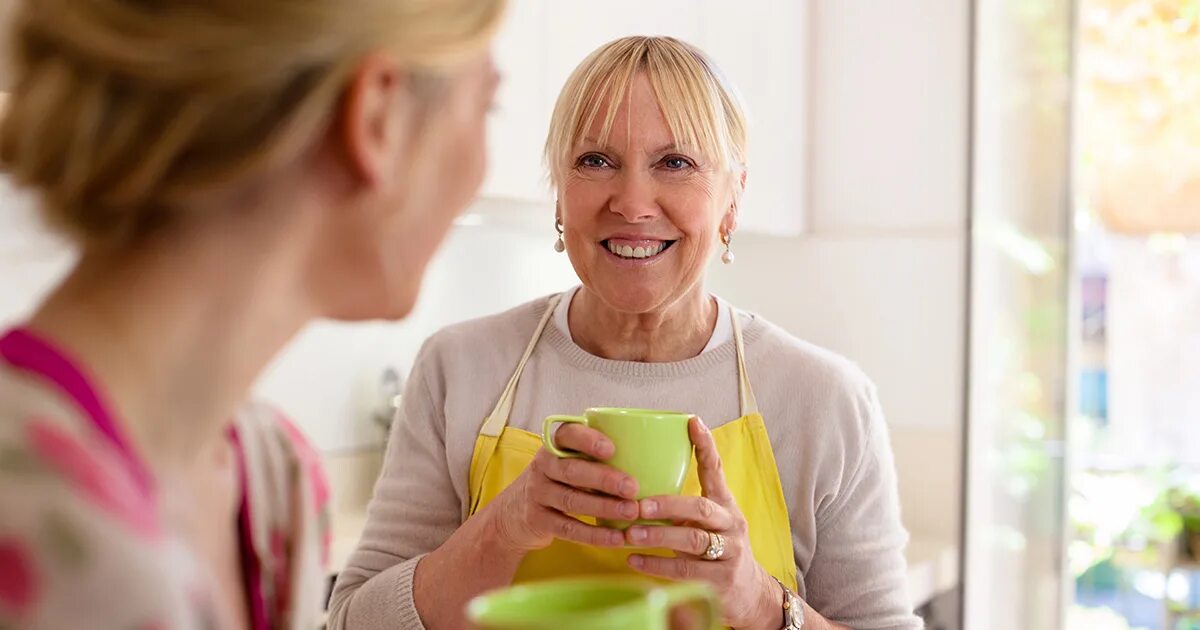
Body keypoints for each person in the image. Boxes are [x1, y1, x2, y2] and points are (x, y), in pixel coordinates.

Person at [331, 36, 923, 630]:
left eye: (676, 163)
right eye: (596, 160)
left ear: (732, 199)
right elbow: (352, 621)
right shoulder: (458, 368)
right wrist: (504, 530)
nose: (634, 203)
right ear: (559, 193)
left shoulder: (824, 401)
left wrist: (761, 603)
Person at [0, 0, 504, 627]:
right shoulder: (34, 513)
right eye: (485, 106)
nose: (480, 169)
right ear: (379, 116)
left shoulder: (276, 484)